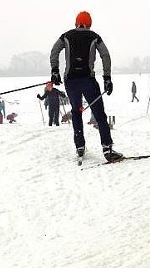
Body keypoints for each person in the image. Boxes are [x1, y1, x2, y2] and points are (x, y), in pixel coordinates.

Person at [49, 10, 122, 162]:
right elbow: (105, 56)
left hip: (71, 81)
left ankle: (80, 146)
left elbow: (54, 51)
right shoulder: (94, 36)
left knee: (76, 112)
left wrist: (55, 71)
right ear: (89, 24)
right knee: (100, 115)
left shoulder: (66, 35)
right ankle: (107, 148)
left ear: (76, 23)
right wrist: (107, 78)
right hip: (88, 80)